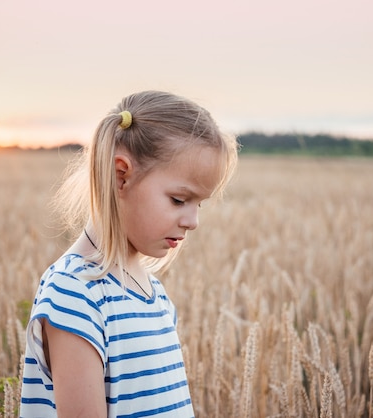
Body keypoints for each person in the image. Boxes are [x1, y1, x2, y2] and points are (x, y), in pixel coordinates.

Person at [20, 90, 238, 417]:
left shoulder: (155, 297)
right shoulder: (76, 294)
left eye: (199, 204)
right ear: (122, 175)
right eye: (179, 200)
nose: (193, 222)